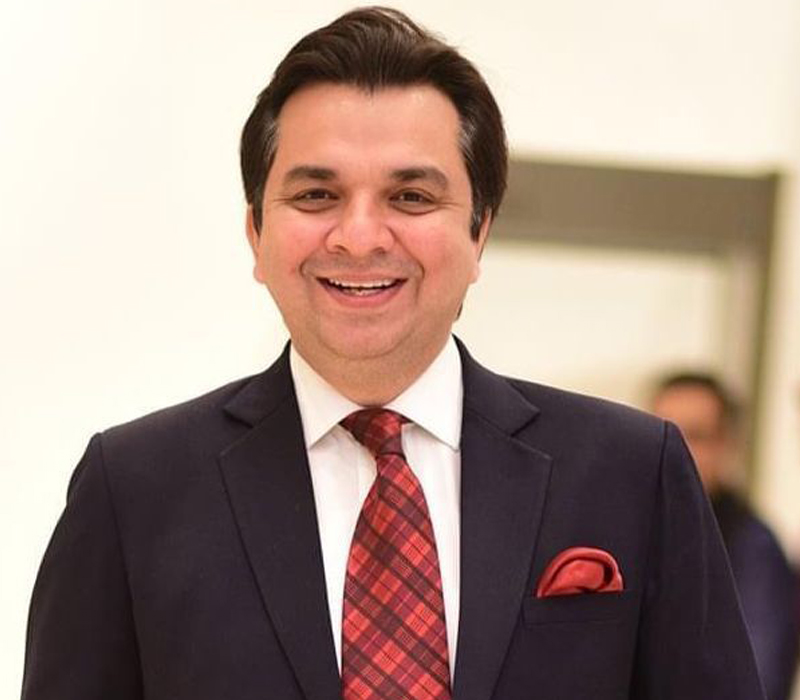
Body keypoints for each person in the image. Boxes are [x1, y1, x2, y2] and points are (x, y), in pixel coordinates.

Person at [22, 7, 765, 700]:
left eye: (410, 197)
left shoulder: (631, 474)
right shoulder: (134, 490)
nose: (359, 237)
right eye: (316, 196)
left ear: (479, 232)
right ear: (256, 233)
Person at [652, 373, 800, 700]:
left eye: (696, 436)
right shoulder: (636, 530)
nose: (675, 451)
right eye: (660, 433)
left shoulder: (752, 547)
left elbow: (757, 681)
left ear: (726, 445)